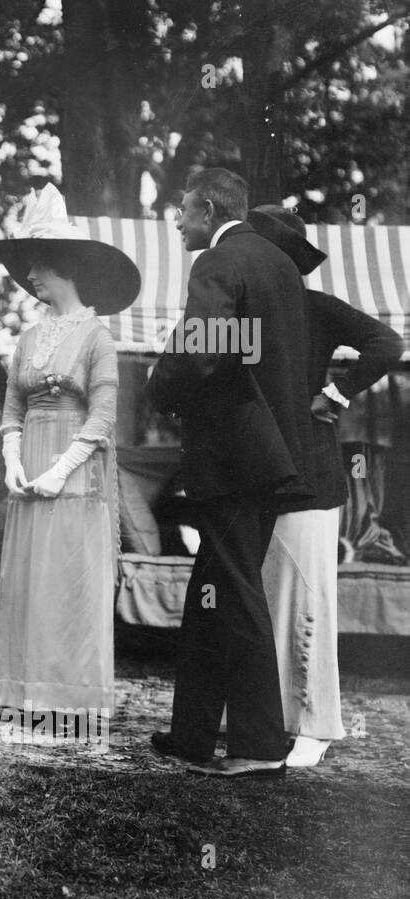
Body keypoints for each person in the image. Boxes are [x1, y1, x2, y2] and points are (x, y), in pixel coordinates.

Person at [148, 168, 317, 778]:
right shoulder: (278, 266)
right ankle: (192, 735)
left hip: (235, 460)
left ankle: (259, 746)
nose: (177, 222)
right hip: (269, 459)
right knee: (212, 591)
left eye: (184, 211)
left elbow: (201, 349)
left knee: (236, 594)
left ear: (209, 210)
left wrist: (158, 385)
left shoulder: (217, 264)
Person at [248, 205, 405, 767]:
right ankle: (271, 716)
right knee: (266, 600)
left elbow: (387, 343)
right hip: (258, 477)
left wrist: (336, 395)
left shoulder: (317, 309)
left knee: (308, 599)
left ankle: (315, 724)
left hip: (311, 478)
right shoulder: (247, 315)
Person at [0, 184, 136, 728]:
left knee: (69, 578)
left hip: (73, 472)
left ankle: (69, 695)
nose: (31, 276)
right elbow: (11, 407)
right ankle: (23, 690)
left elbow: (102, 417)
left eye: (40, 265)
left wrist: (58, 470)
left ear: (66, 268)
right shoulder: (29, 338)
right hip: (29, 465)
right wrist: (13, 461)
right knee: (30, 578)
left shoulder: (99, 337)